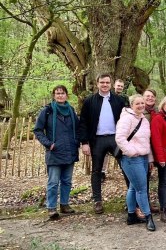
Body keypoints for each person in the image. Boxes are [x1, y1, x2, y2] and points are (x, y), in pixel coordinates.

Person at [78, 74, 125, 214]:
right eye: (102, 82)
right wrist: (84, 142)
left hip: (115, 138)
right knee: (97, 170)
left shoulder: (119, 100)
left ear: (111, 84)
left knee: (126, 167)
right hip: (97, 139)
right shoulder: (89, 101)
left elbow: (126, 120)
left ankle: (132, 198)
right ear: (97, 84)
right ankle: (97, 200)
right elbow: (83, 123)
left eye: (107, 82)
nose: (105, 85)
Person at [34, 85, 80, 219]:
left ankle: (64, 205)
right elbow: (38, 130)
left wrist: (76, 141)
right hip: (54, 152)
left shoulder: (71, 111)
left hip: (70, 151)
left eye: (62, 93)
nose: (60, 95)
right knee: (53, 182)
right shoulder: (47, 111)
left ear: (67, 95)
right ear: (54, 96)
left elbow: (78, 128)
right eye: (57, 93)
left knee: (67, 181)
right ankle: (51, 208)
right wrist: (49, 144)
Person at [116, 94, 155, 231]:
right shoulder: (127, 118)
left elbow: (147, 141)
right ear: (131, 105)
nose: (140, 106)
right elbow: (120, 138)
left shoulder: (144, 120)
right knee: (141, 189)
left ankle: (131, 216)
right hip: (131, 159)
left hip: (143, 158)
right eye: (137, 104)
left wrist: (150, 159)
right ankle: (148, 216)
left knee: (133, 187)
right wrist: (132, 152)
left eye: (142, 103)